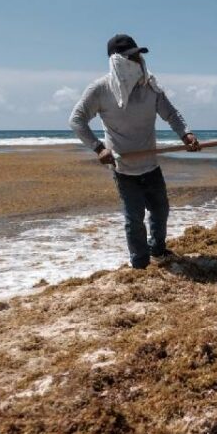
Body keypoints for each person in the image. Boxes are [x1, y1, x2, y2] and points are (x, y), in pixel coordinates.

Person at [70, 34, 201, 269]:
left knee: (161, 210)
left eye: (139, 55)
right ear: (118, 61)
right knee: (134, 220)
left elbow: (171, 114)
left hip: (150, 164)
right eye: (133, 56)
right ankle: (139, 265)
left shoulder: (150, 86)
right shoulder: (100, 89)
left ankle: (158, 251)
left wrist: (186, 135)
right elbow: (77, 120)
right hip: (124, 167)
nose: (139, 60)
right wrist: (99, 148)